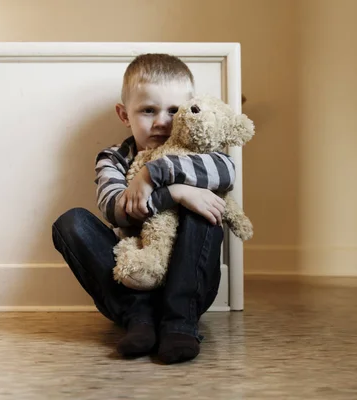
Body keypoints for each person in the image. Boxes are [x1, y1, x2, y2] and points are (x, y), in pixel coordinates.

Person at [51, 53, 236, 364]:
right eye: (148, 110)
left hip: (191, 288)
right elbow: (115, 209)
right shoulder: (114, 158)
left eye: (174, 110)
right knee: (70, 223)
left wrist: (155, 175)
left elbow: (228, 172)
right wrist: (175, 193)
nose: (162, 121)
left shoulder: (198, 151)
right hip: (131, 284)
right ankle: (140, 319)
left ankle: (180, 322)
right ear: (124, 115)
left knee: (204, 207)